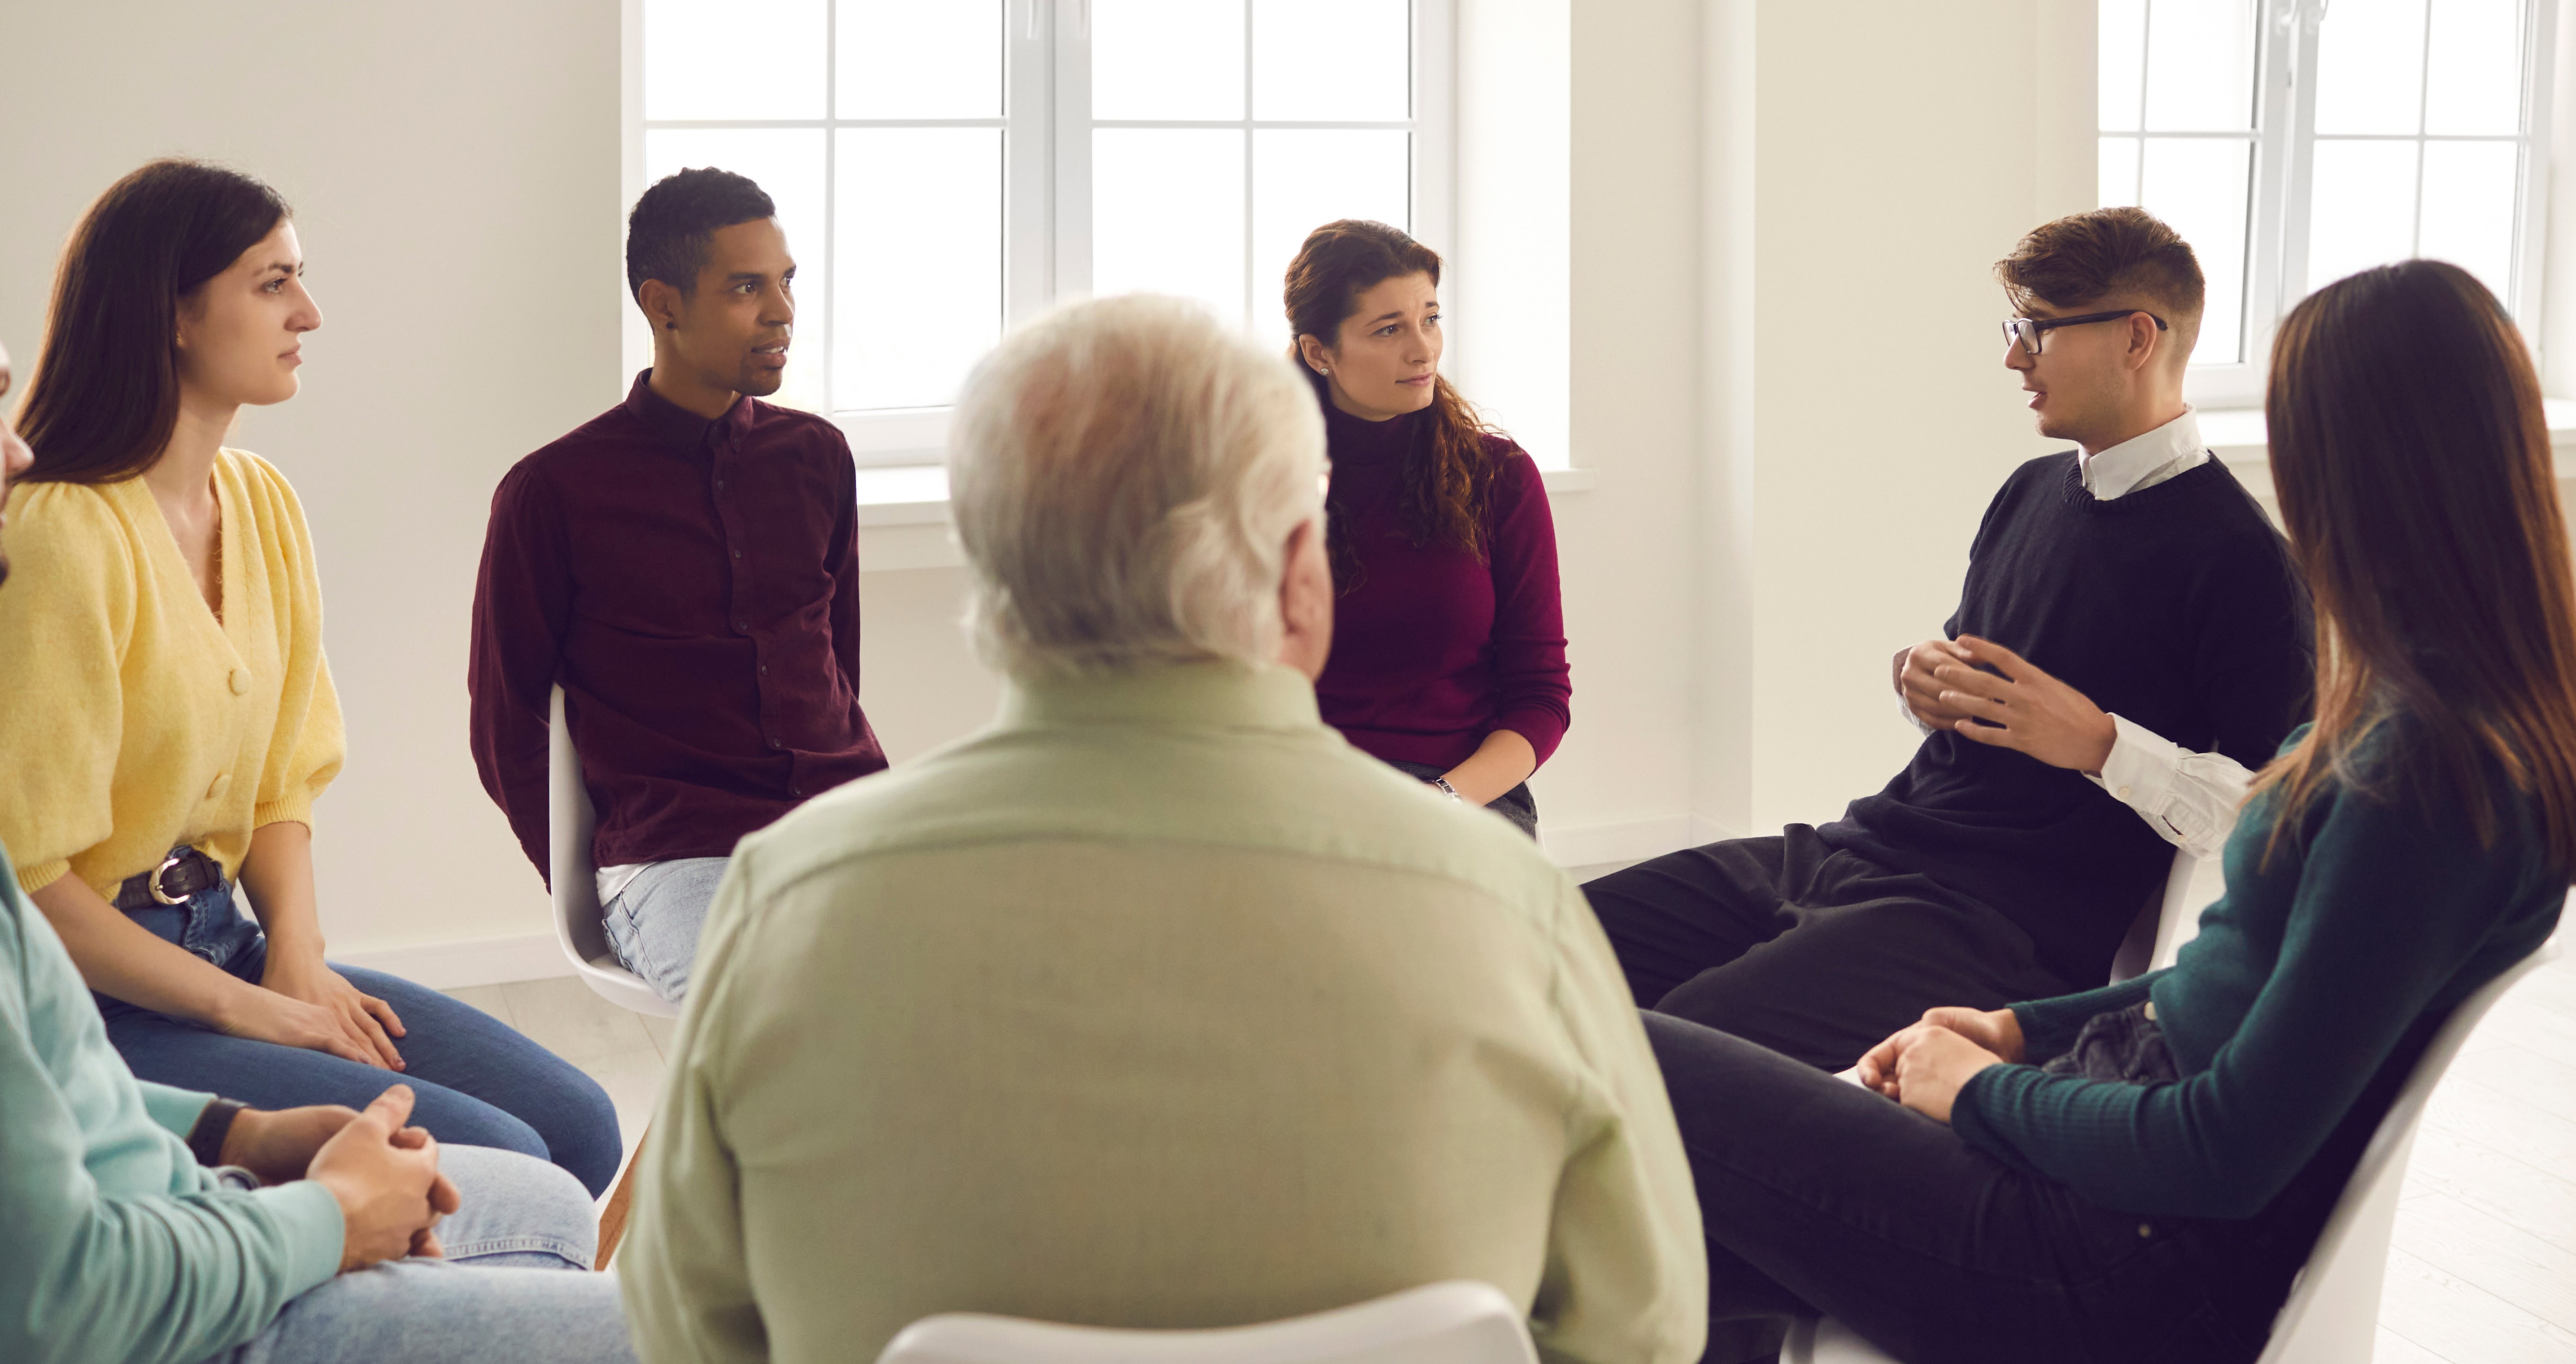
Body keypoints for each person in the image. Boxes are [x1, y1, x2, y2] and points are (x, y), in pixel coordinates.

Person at [618, 295, 1705, 1364]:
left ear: (992, 575)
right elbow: (1643, 1331)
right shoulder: (1513, 908)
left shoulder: (786, 900)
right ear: (1299, 580)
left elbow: (683, 1332)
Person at [1647, 258, 2576, 1361]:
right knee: (1622, 1229)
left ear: (2364, 467)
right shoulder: (2411, 716)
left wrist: (1977, 1094)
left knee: (1623, 1067)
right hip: (2092, 1169)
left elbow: (2223, 1149)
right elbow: (2223, 978)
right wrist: (2020, 1032)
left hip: (2103, 1264)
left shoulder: (2429, 779)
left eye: (2299, 437)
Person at [0, 333, 633, 1364]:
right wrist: (255, 1022)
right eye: (270, 280)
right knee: (504, 1161)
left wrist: (293, 959)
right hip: (110, 976)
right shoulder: (63, 532)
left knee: (582, 1123)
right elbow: (38, 884)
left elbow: (287, 771)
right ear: (173, 312)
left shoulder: (259, 501)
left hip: (226, 936)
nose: (309, 309)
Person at [1582, 208, 2315, 1071]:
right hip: (1853, 851)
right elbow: (1984, 715)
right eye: (2017, 328)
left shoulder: (2243, 560)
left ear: (2136, 338)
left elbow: (2274, 818)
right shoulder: (2030, 489)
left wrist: (2099, 743)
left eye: (2037, 329)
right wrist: (1922, 685)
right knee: (1543, 938)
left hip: (1997, 926)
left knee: (1668, 1046)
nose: (2015, 357)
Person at [469, 167, 885, 1004]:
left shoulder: (817, 457)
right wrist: (583, 887)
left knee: (990, 1019)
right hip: (679, 860)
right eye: (744, 287)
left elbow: (836, 663)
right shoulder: (552, 492)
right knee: (772, 1046)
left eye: (785, 282)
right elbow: (504, 726)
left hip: (852, 826)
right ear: (662, 304)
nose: (782, 313)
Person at [1284, 220, 1569, 837]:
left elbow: (1540, 694)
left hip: (1460, 794)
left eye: (1430, 318)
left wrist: (1438, 802)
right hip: (1303, 789)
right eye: (1388, 330)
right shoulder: (1263, 483)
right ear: (1318, 352)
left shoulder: (1499, 477)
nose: (1423, 349)